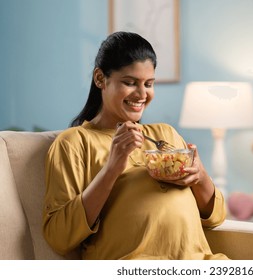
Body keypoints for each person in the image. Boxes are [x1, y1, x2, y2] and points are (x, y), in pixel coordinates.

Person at [42, 31, 228, 260]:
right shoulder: (74, 143)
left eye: (148, 84)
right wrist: (112, 168)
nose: (142, 94)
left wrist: (200, 177)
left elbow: (217, 216)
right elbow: (59, 237)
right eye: (130, 83)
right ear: (100, 78)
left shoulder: (165, 134)